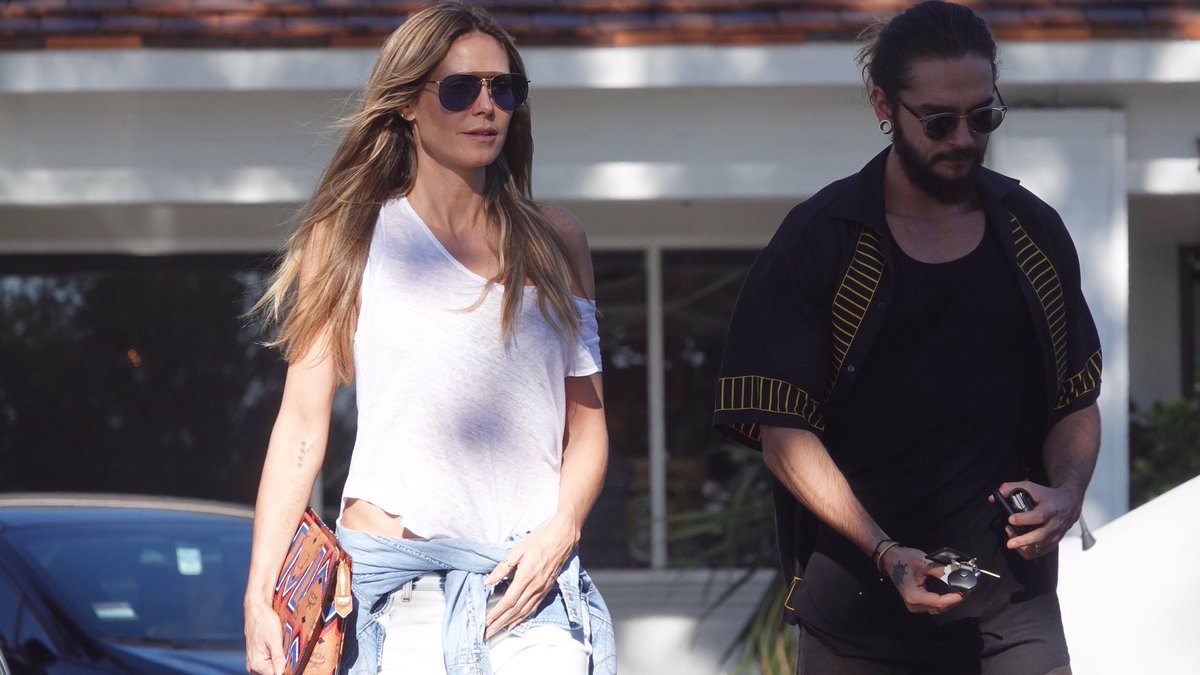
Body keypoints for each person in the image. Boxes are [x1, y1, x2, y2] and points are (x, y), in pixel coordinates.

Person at [713, 2, 1102, 673]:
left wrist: (1067, 493)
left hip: (1015, 615)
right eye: (939, 121)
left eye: (983, 117)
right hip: (857, 621)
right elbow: (782, 431)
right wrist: (885, 551)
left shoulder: (1032, 232)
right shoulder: (822, 240)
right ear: (883, 106)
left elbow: (1075, 399)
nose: (964, 138)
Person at [241, 3, 615, 674]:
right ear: (410, 102)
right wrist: (259, 592)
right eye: (461, 88)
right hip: (394, 589)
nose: (487, 106)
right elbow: (300, 423)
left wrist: (563, 530)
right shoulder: (349, 237)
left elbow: (586, 429)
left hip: (523, 588)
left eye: (504, 89)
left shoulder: (557, 241)